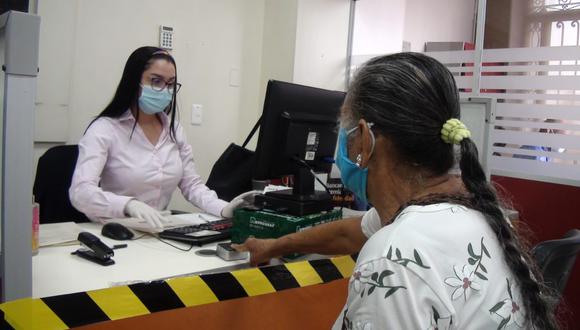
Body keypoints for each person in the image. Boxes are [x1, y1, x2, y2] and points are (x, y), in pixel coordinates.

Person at [236, 53, 558, 329]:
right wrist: (274, 245)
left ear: (363, 139)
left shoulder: (392, 257)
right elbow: (350, 233)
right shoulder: (474, 209)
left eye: (342, 131)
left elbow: (381, 244)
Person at [69, 46, 243, 230]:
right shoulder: (105, 129)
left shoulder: (174, 130)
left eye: (170, 84)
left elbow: (192, 185)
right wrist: (129, 205)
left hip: (159, 231)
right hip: (115, 231)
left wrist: (224, 209)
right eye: (156, 81)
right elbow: (81, 192)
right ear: (133, 81)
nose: (164, 90)